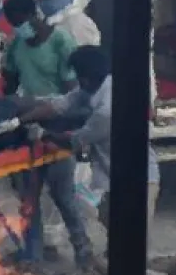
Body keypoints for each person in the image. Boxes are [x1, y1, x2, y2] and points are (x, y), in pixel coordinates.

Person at [15, 45, 161, 229]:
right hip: (111, 176)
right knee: (112, 225)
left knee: (134, 238)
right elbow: (58, 105)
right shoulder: (94, 87)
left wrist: (43, 134)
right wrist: (19, 120)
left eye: (78, 75)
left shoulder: (107, 109)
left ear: (85, 77)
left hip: (140, 179)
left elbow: (75, 140)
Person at [0, 0, 91, 264]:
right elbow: (10, 83)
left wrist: (44, 110)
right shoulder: (18, 46)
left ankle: (82, 250)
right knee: (28, 199)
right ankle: (33, 255)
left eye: (19, 22)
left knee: (63, 194)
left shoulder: (61, 42)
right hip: (28, 125)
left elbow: (71, 94)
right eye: (13, 24)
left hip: (57, 126)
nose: (18, 28)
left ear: (33, 15)